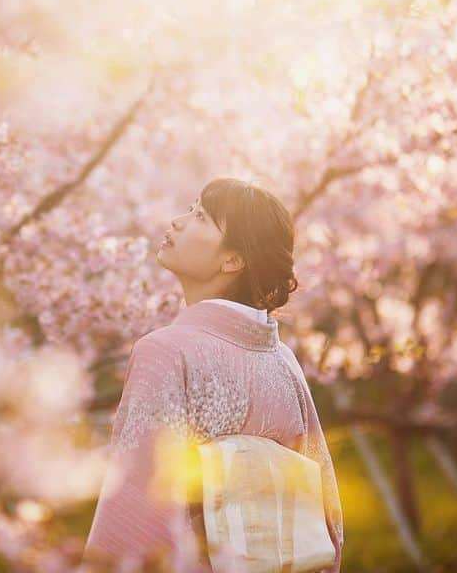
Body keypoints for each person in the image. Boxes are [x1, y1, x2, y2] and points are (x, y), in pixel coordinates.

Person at [82, 177, 343, 573]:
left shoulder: (165, 352)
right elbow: (324, 514)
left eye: (201, 217)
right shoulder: (283, 362)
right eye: (190, 209)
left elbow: (138, 503)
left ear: (233, 260)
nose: (178, 221)